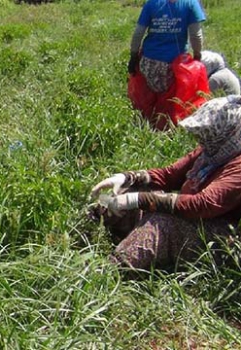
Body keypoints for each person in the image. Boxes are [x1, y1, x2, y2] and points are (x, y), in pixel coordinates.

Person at [90, 95, 241, 274]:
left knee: (161, 222)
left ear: (227, 134)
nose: (200, 140)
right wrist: (127, 177)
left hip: (218, 238)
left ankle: (108, 271)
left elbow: (203, 204)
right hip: (191, 218)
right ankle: (87, 227)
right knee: (130, 189)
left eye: (207, 134)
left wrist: (138, 200)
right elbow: (169, 175)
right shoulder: (211, 150)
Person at [128, 0, 206, 93]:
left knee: (149, 94)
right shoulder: (190, 3)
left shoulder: (151, 3)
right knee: (172, 97)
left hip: (148, 63)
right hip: (176, 67)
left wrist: (133, 56)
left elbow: (138, 33)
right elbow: (196, 35)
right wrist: (197, 55)